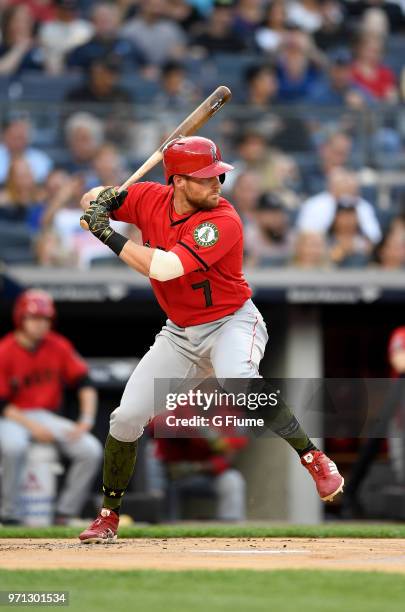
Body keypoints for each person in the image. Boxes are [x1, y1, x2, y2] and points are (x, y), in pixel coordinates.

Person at [77, 135, 344, 543]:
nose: (217, 184)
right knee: (126, 418)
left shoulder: (223, 220)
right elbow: (91, 197)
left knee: (236, 376)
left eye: (218, 176)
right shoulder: (149, 197)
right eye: (205, 178)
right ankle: (108, 516)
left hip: (231, 322)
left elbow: (165, 268)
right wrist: (99, 201)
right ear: (178, 181)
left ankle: (314, 457)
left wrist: (108, 235)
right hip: (180, 333)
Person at [0, 290, 102, 525]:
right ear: (20, 318)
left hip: (46, 416)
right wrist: (32, 426)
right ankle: (9, 514)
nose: (40, 324)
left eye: (45, 319)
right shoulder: (5, 349)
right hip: (12, 417)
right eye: (34, 318)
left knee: (90, 449)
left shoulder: (58, 346)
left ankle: (65, 513)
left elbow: (85, 383)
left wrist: (86, 420)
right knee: (14, 447)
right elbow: (2, 403)